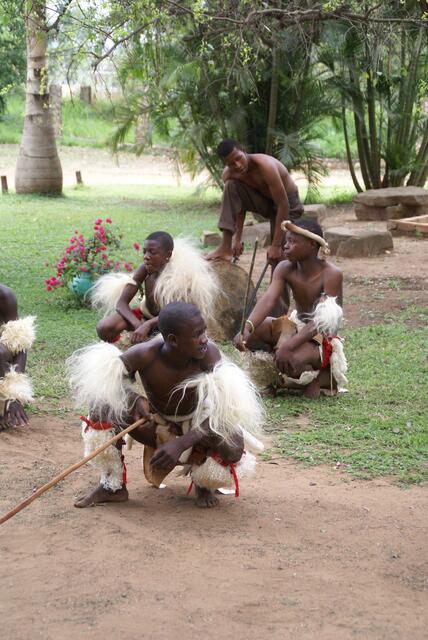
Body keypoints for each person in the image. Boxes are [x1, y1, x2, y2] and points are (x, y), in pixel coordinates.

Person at [68, 302, 264, 509]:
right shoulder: (144, 354)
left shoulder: (209, 355)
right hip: (155, 424)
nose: (205, 339)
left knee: (233, 446)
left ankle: (204, 481)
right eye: (197, 334)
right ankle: (112, 485)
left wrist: (181, 444)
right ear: (173, 340)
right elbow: (107, 385)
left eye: (204, 331)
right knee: (100, 405)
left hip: (199, 428)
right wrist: (134, 399)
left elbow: (226, 412)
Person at [234, 220, 348, 399]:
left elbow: (321, 321)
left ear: (312, 245)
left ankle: (322, 376)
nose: (285, 246)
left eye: (293, 242)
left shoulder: (332, 274)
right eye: (286, 241)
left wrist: (288, 346)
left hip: (320, 337)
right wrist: (247, 327)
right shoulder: (284, 268)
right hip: (296, 325)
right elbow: (269, 299)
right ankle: (278, 371)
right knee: (256, 331)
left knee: (291, 360)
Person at [91, 231, 219, 345]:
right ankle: (121, 348)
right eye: (144, 251)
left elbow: (177, 314)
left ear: (168, 255)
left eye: (152, 252)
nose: (146, 256)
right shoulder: (145, 269)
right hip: (145, 316)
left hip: (170, 324)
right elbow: (121, 304)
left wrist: (148, 325)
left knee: (157, 346)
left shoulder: (180, 278)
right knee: (105, 327)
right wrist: (137, 324)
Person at [206, 139, 304, 264]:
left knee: (279, 257)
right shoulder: (229, 174)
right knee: (230, 186)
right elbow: (239, 205)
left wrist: (276, 245)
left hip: (288, 205)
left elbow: (283, 205)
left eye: (238, 158)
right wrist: (237, 239)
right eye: (231, 164)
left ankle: (283, 270)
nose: (238, 165)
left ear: (244, 151)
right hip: (265, 202)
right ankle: (225, 247)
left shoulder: (266, 166)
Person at [0, 284, 36, 429]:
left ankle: (4, 404)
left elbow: (20, 344)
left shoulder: (4, 295)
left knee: (1, 352)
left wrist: (14, 393)